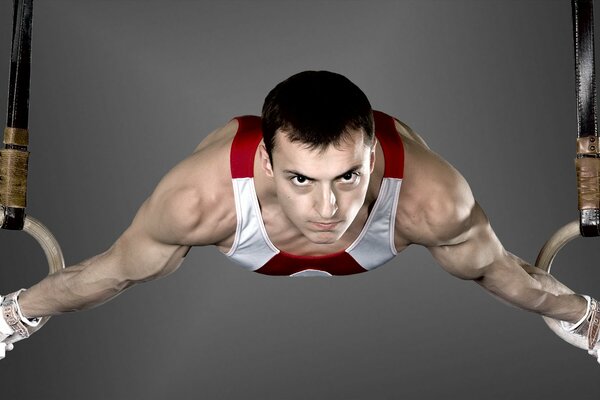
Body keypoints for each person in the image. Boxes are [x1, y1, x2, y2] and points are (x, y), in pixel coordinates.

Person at [0, 70, 598, 361]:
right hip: (244, 219)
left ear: (374, 157)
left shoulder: (430, 199)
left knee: (487, 266)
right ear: (264, 162)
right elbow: (111, 272)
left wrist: (584, 315)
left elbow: (505, 274)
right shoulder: (200, 199)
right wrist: (16, 312)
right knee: (123, 267)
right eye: (300, 180)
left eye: (348, 176)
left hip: (390, 215)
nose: (327, 209)